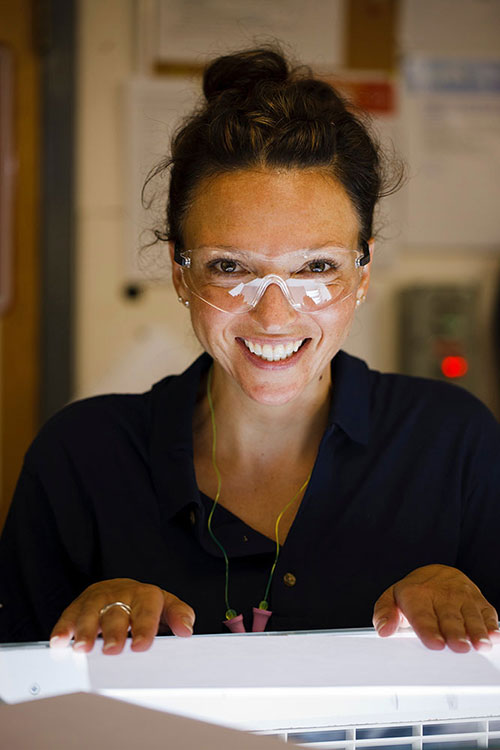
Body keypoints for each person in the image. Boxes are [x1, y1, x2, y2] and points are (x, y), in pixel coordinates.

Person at [1, 46, 499, 656]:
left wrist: (473, 605)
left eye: (317, 266)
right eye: (229, 266)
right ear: (180, 275)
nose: (274, 314)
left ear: (363, 273)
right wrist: (72, 643)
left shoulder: (455, 446)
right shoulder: (80, 460)